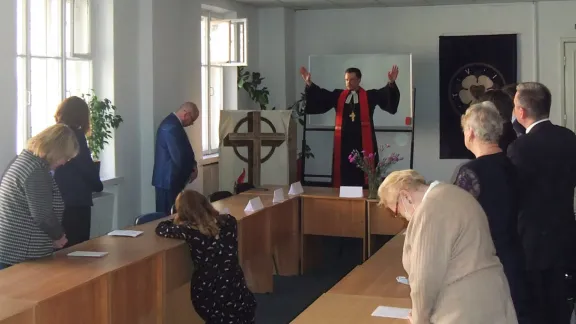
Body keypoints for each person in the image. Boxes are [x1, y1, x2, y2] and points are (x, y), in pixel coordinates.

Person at [378, 170, 517, 324]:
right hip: (492, 297)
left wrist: (419, 319)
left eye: (397, 211)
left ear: (405, 196)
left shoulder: (430, 209)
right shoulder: (453, 192)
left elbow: (424, 278)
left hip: (463, 308)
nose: (402, 217)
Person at [454, 102, 530, 322]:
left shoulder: (470, 172)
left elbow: (457, 221)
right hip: (515, 257)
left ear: (470, 133)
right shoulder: (513, 165)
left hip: (483, 261)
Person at [507, 82, 576, 324]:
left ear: (521, 112)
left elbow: (513, 193)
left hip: (531, 240)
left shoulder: (520, 147)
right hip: (566, 234)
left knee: (535, 310)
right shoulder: (569, 138)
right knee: (560, 308)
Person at [155, 190, 256, 324]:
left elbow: (161, 228)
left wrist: (178, 219)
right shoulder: (229, 221)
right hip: (235, 286)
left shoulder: (190, 231)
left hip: (208, 291)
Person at [300, 65, 400, 187]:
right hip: (343, 144)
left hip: (363, 144)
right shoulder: (338, 96)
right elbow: (321, 95)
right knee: (344, 172)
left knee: (364, 173)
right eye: (346, 79)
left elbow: (385, 95)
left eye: (352, 79)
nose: (349, 82)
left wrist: (391, 82)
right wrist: (309, 83)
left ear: (359, 80)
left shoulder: (369, 96)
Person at [0, 124, 79, 269]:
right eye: (65, 157)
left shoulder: (26, 161)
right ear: (56, 150)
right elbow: (43, 215)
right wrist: (59, 236)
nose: (64, 163)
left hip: (13, 250)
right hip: (23, 255)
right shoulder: (36, 171)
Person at [53, 96, 104, 247]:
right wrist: (97, 184)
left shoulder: (56, 133)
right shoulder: (75, 135)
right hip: (76, 203)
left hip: (58, 199)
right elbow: (85, 166)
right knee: (79, 249)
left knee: (63, 252)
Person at [152, 102, 199, 215]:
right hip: (168, 181)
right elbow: (179, 157)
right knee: (167, 217)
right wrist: (190, 172)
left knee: (175, 216)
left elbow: (186, 151)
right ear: (186, 114)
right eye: (192, 120)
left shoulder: (174, 124)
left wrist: (193, 165)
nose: (191, 123)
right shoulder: (170, 126)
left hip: (172, 179)